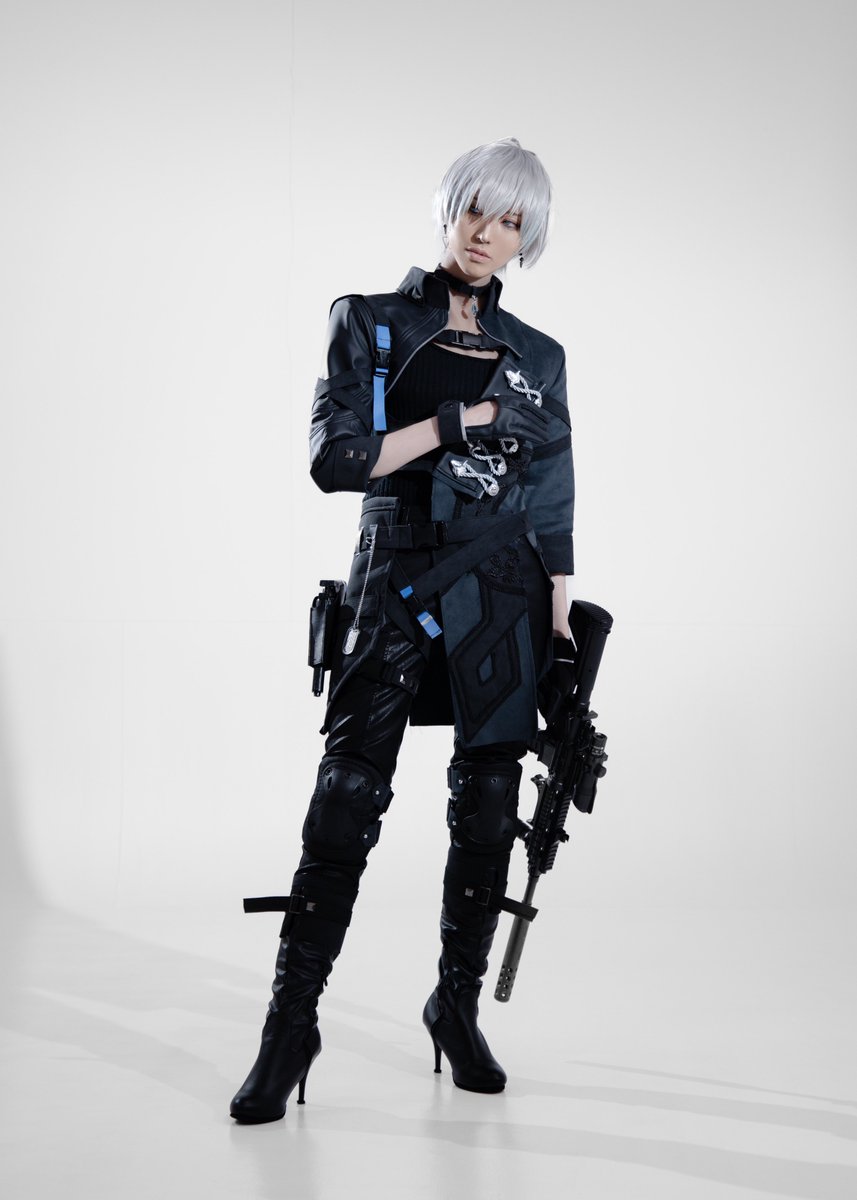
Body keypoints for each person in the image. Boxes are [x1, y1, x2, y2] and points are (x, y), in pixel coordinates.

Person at [230, 137, 576, 1123]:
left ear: (526, 235)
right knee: (347, 794)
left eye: (511, 220)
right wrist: (451, 426)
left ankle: (453, 1008)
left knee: (489, 800)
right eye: (476, 210)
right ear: (448, 209)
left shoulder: (539, 356)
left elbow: (551, 495)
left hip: (503, 590)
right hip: (395, 573)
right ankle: (289, 1027)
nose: (487, 233)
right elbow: (335, 461)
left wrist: (559, 621)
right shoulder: (371, 322)